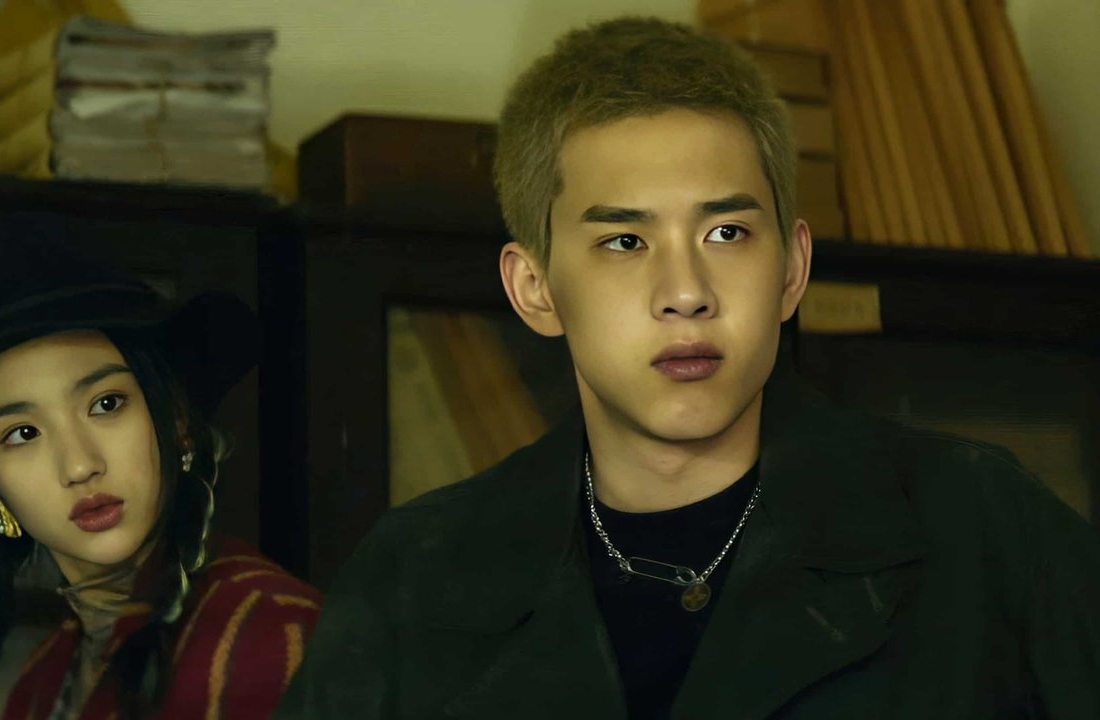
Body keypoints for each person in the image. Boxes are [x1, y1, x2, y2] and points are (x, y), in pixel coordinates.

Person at [275, 17, 1100, 719]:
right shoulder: (415, 574)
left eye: (726, 234)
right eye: (624, 241)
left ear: (792, 269)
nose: (686, 293)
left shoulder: (979, 523)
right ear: (535, 289)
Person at [0, 214, 320, 720]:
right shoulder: (44, 680)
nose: (80, 465)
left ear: (176, 420)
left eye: (106, 404)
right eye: (23, 433)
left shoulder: (271, 638)